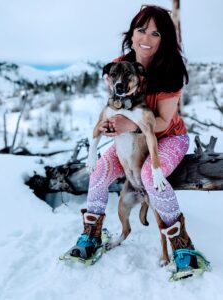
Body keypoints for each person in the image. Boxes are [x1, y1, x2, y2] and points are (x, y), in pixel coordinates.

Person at [70, 5, 203, 272]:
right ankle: (92, 234)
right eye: (141, 30)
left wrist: (127, 125)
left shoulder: (172, 70)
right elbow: (113, 106)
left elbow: (163, 121)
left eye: (155, 33)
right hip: (131, 140)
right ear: (131, 34)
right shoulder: (120, 66)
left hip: (168, 137)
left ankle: (181, 244)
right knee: (99, 172)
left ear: (164, 39)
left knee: (150, 179)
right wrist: (110, 126)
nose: (146, 39)